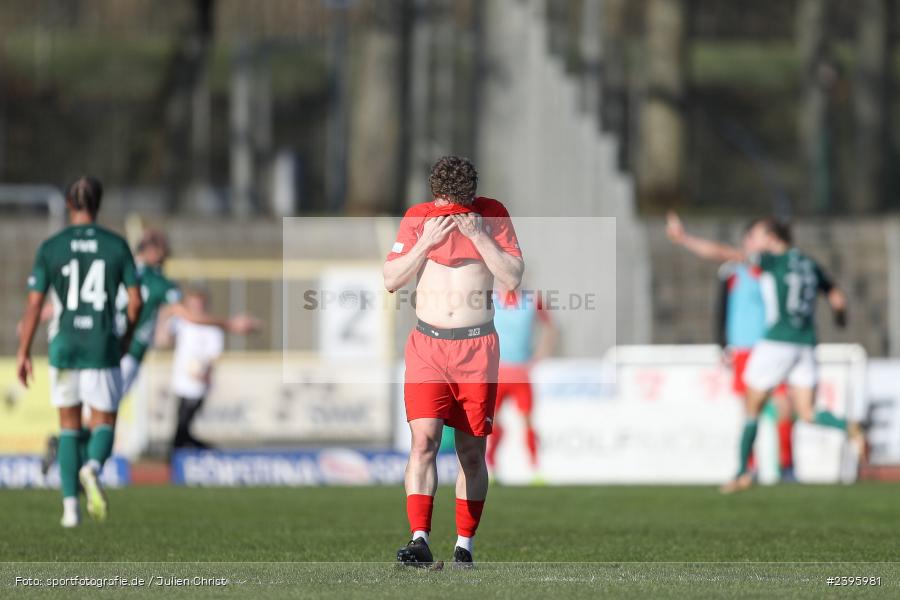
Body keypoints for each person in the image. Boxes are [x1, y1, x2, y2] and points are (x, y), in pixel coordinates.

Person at [384, 156, 523, 567]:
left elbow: (513, 277)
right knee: (423, 441)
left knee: (472, 452)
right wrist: (425, 242)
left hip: (476, 349)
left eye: (461, 204)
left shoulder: (492, 214)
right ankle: (420, 539)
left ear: (472, 195)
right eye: (448, 204)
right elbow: (391, 279)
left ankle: (465, 545)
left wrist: (479, 236)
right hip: (428, 346)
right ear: (435, 195)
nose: (453, 213)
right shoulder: (419, 217)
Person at [666, 212, 863, 493]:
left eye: (756, 236)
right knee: (806, 413)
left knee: (751, 405)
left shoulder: (772, 261)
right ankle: (849, 426)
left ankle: (742, 472)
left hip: (777, 341)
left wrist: (684, 238)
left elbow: (723, 253)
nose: (751, 242)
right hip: (806, 345)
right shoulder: (809, 264)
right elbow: (837, 297)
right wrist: (840, 319)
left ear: (771, 239)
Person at [17, 177, 143, 527]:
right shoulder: (116, 245)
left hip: (65, 345)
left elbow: (34, 306)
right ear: (98, 205)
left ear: (70, 205)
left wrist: (24, 352)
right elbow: (136, 301)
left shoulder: (51, 247)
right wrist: (126, 336)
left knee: (69, 427)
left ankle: (70, 510)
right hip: (101, 342)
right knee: (104, 420)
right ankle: (93, 468)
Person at [673, 217, 795, 481]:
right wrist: (722, 345)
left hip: (771, 346)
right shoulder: (733, 271)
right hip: (742, 350)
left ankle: (786, 465)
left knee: (783, 404)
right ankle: (748, 466)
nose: (749, 242)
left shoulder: (774, 268)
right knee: (748, 409)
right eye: (749, 236)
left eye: (754, 236)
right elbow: (722, 308)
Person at [485, 288, 557, 481]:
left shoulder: (532, 300)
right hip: (496, 373)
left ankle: (535, 468)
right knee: (493, 423)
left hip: (521, 373)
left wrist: (541, 354)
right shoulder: (489, 300)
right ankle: (491, 466)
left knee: (527, 421)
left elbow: (550, 326)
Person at [154, 287, 226, 454]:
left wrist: (204, 371)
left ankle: (182, 455)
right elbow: (163, 340)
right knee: (181, 424)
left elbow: (214, 355)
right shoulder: (182, 322)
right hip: (181, 381)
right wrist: (167, 314)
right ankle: (184, 454)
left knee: (184, 424)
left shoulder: (212, 327)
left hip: (199, 383)